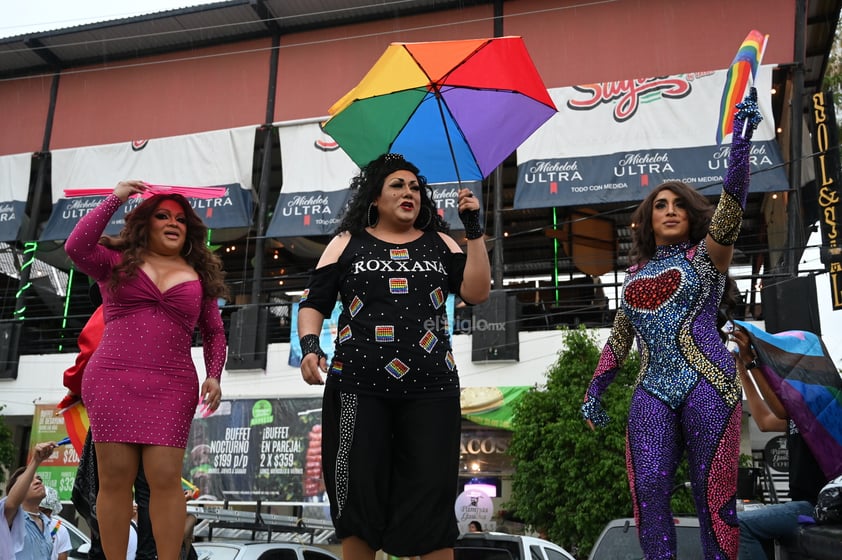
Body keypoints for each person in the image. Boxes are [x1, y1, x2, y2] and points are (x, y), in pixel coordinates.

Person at [581, 88, 763, 560]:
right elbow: (619, 341)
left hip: (708, 382)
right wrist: (595, 390)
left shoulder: (706, 258)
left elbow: (731, 207)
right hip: (652, 387)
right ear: (648, 219)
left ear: (689, 214)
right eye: (659, 205)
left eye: (677, 204)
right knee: (649, 489)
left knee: (713, 495)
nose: (669, 211)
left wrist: (741, 146)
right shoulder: (634, 277)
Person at [298, 153, 491, 560]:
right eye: (397, 185)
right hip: (357, 387)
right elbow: (314, 303)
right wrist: (311, 348)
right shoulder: (346, 242)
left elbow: (476, 292)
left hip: (432, 389)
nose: (409, 193)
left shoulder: (442, 243)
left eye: (416, 187)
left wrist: (473, 229)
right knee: (358, 498)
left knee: (430, 498)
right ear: (375, 197)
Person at [64, 181, 228, 560]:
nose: (173, 223)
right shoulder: (115, 261)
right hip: (113, 378)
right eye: (162, 216)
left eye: (181, 219)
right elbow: (75, 246)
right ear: (144, 223)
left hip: (172, 384)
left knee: (166, 480)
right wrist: (117, 197)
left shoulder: (198, 275)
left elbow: (215, 332)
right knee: (115, 481)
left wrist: (214, 374)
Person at [732, 327, 828, 559]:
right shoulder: (802, 410)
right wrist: (742, 368)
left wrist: (751, 362)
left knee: (741, 525)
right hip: (803, 506)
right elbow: (765, 421)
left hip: (818, 508)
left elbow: (781, 409)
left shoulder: (824, 398)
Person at [2, 442, 58, 560]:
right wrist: (36, 461)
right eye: (29, 481)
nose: (38, 482)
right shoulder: (11, 518)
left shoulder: (47, 523)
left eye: (39, 479)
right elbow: (12, 504)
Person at [38, 488, 71, 560]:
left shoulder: (60, 529)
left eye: (48, 511)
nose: (43, 515)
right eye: (41, 511)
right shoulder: (24, 525)